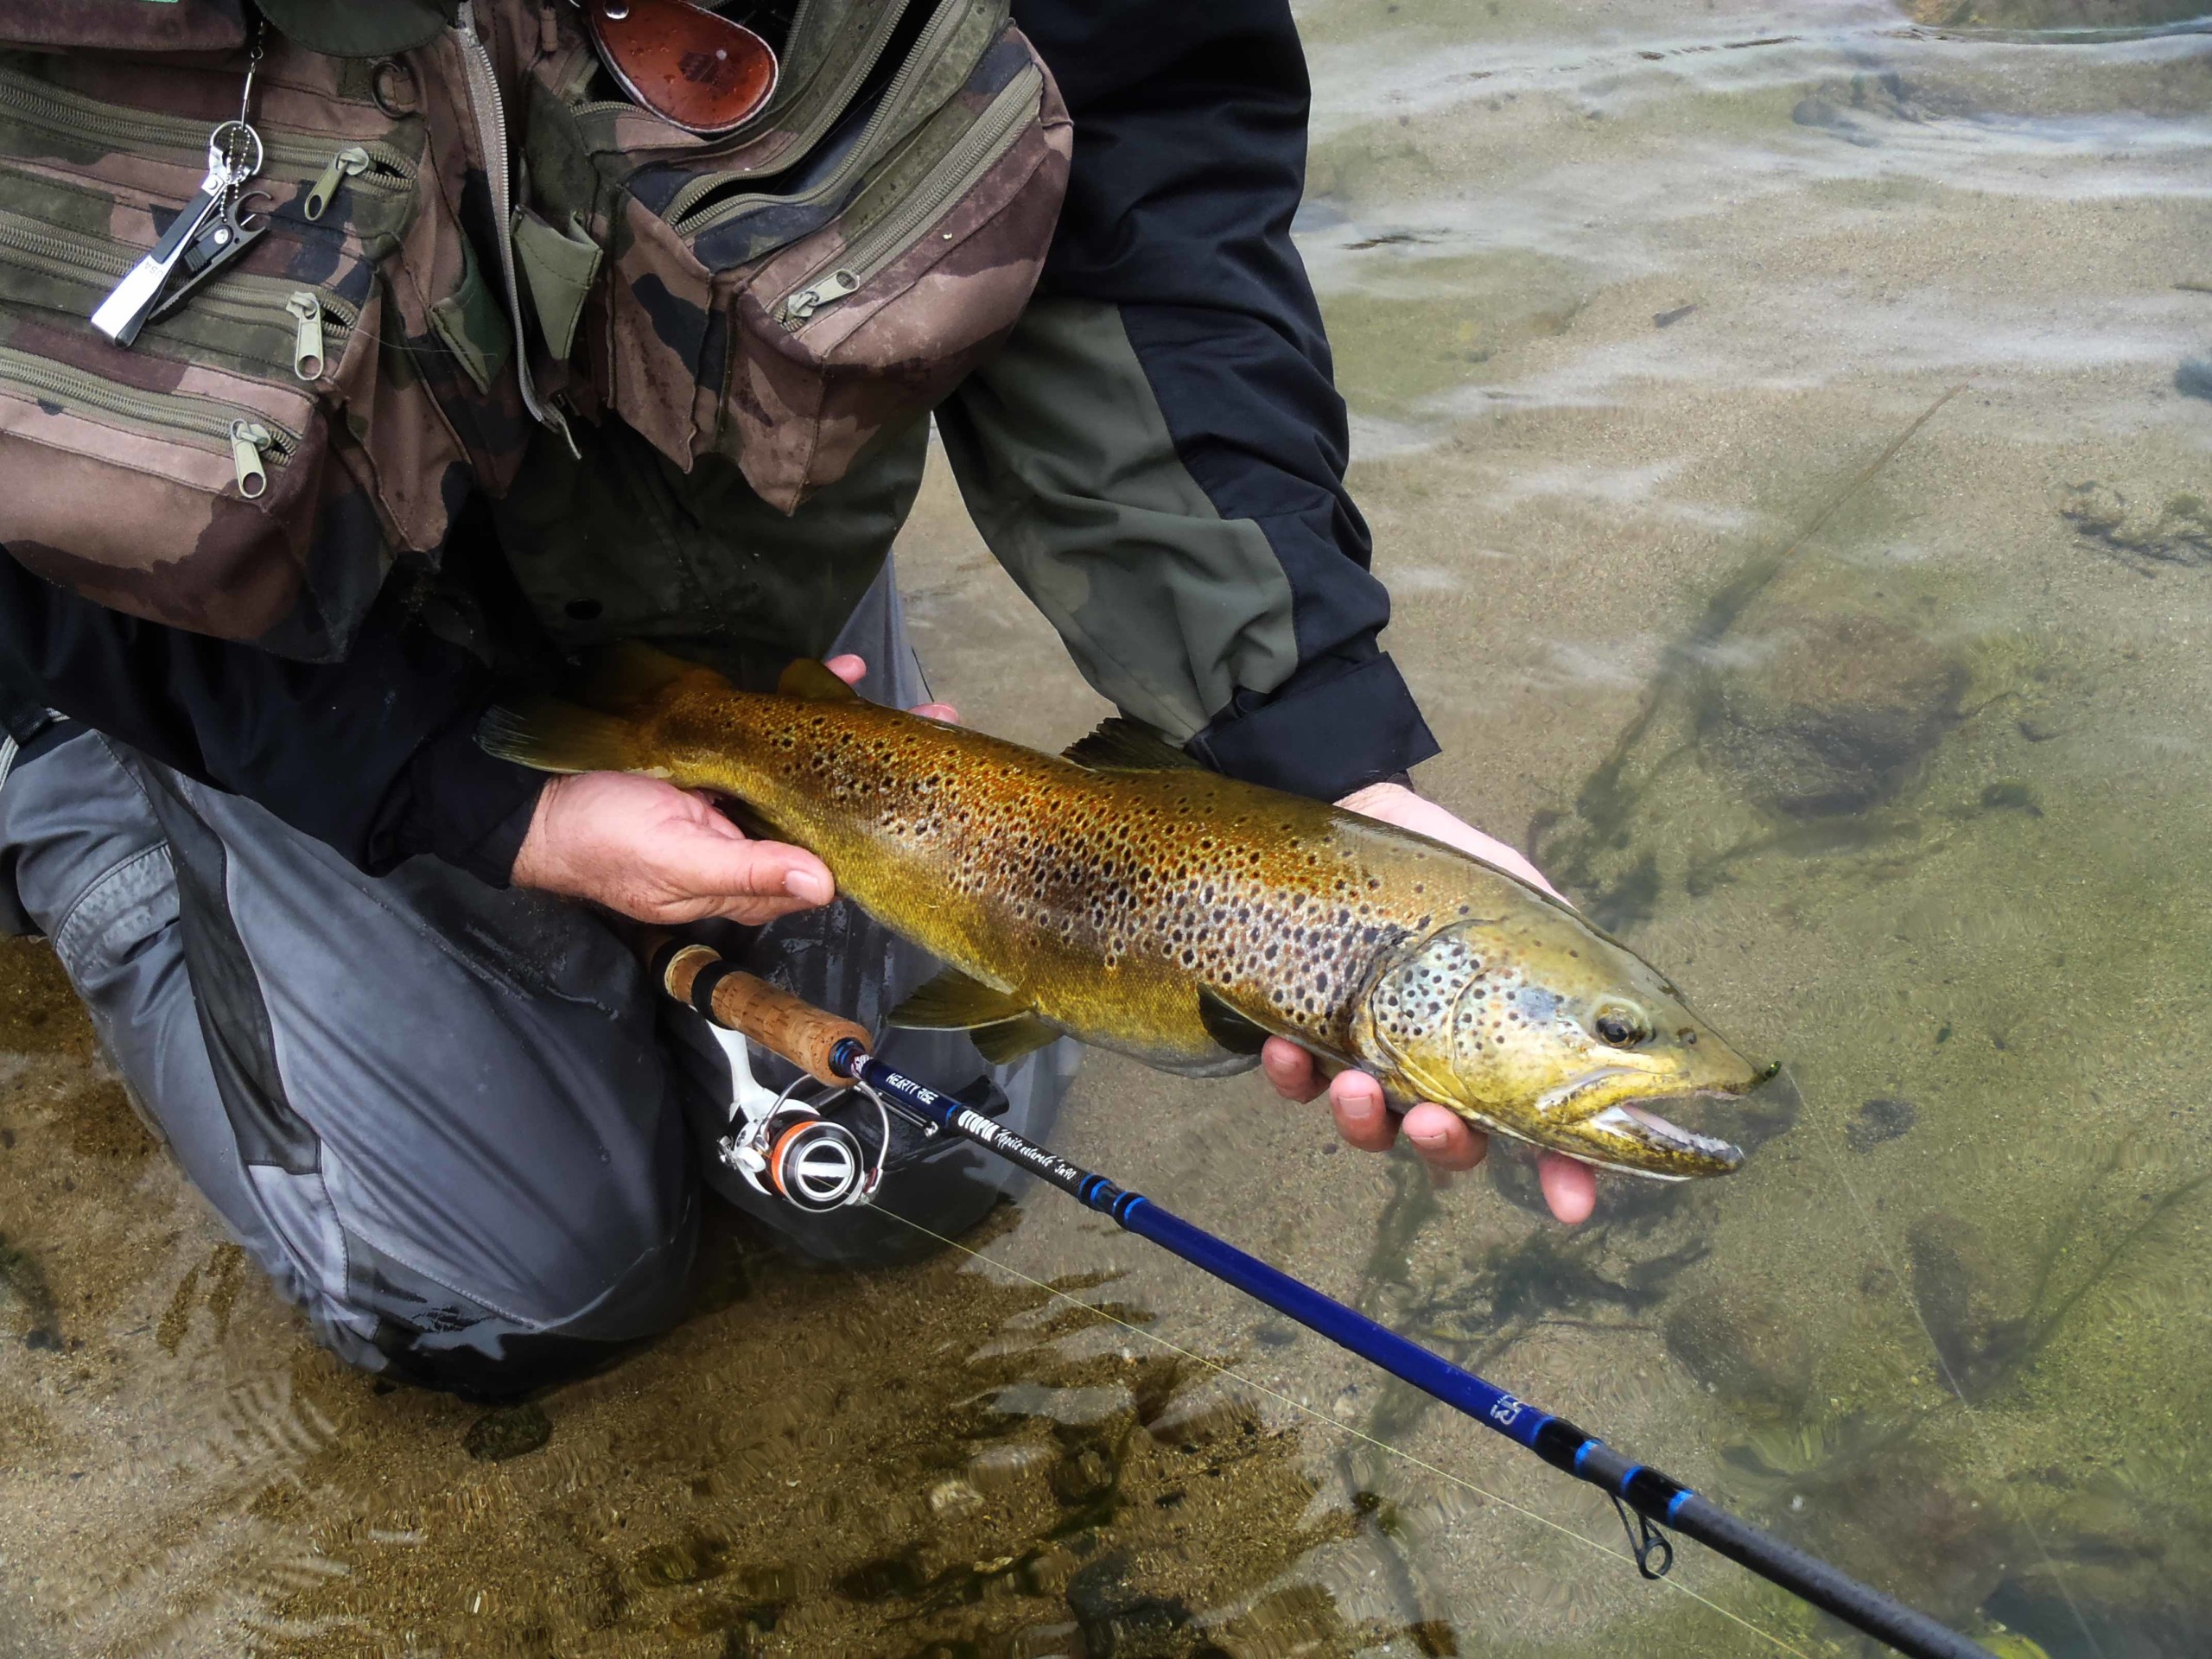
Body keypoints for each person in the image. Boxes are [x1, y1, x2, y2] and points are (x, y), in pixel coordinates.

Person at [0, 0, 1591, 1399]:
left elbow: (1123, 158)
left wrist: (1294, 716)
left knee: (901, 1173)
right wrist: (447, 788)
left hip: (726, 586)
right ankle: (89, 792)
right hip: (258, 636)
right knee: (527, 1299)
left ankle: (694, 735)